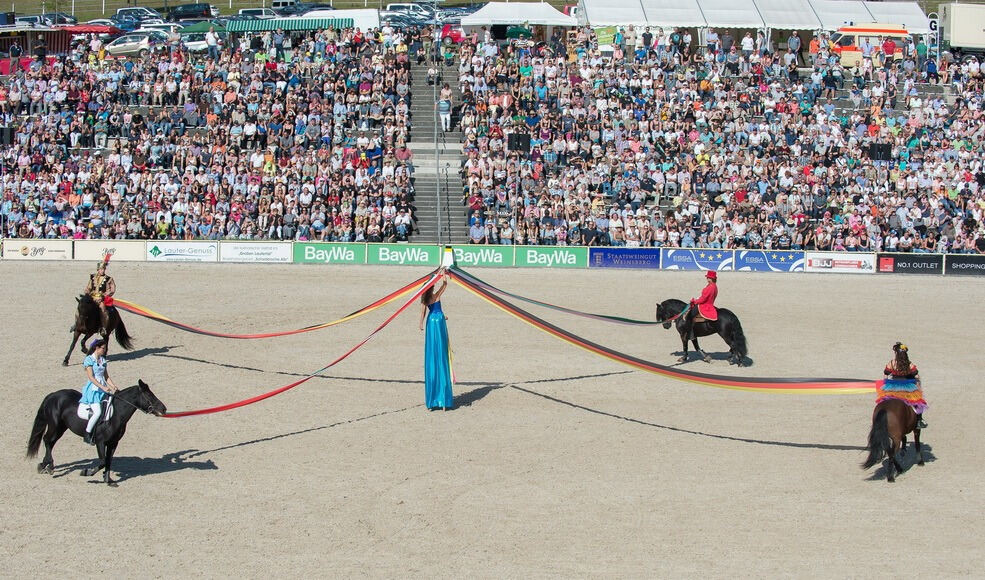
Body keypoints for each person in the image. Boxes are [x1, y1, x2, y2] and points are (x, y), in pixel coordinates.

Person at [419, 269, 453, 410]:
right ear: (432, 287)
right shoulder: (437, 295)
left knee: (433, 352)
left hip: (431, 322)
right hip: (439, 322)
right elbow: (445, 285)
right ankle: (443, 401)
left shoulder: (425, 300)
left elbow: (424, 312)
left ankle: (432, 401)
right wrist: (443, 275)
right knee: (441, 354)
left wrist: (420, 323)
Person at [79, 338, 119, 445]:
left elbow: (106, 376)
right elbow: (91, 377)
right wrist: (103, 387)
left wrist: (113, 386)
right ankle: (87, 434)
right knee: (97, 412)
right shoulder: (89, 360)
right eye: (103, 348)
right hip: (94, 389)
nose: (104, 350)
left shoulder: (103, 360)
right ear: (97, 348)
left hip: (102, 387)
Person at [883, 342, 928, 428]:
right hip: (908, 387)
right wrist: (918, 387)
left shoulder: (892, 363)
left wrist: (886, 383)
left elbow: (885, 374)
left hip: (894, 387)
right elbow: (916, 376)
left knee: (885, 401)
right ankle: (919, 420)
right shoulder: (909, 364)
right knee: (918, 402)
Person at [84, 259, 116, 332]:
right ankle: (78, 324)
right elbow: (89, 287)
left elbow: (111, 290)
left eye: (104, 269)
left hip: (101, 299)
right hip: (92, 297)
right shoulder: (92, 277)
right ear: (98, 269)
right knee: (82, 306)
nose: (103, 271)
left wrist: (103, 296)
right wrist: (87, 292)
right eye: (101, 269)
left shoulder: (109, 279)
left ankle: (103, 327)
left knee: (102, 308)